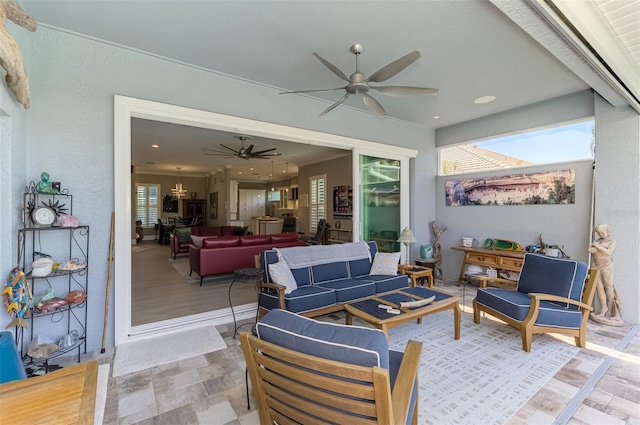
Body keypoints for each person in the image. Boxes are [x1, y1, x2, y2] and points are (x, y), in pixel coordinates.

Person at [588, 223, 622, 326]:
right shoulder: (598, 241)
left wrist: (597, 246)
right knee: (599, 287)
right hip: (596, 265)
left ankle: (612, 311)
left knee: (608, 287)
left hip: (607, 266)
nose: (600, 234)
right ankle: (603, 309)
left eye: (602, 232)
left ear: (607, 231)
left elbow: (608, 252)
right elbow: (590, 250)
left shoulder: (612, 241)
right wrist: (599, 246)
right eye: (598, 232)